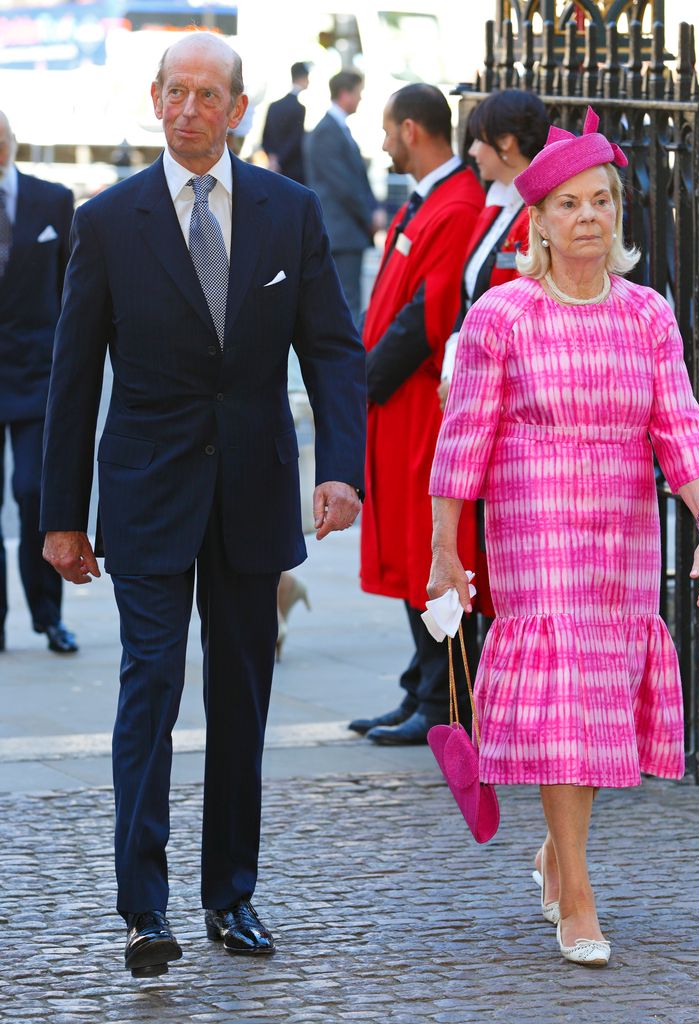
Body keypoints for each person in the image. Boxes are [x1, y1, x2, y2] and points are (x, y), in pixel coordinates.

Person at [40, 33, 365, 978]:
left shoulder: (288, 211)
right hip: (144, 496)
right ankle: (144, 909)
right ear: (155, 100)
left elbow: (333, 350)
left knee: (242, 697)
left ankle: (231, 893)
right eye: (172, 91)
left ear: (235, 107)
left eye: (205, 93)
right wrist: (63, 517)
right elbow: (72, 379)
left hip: (254, 493)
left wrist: (338, 466)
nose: (187, 107)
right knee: (151, 689)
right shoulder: (107, 221)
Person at [427, 107, 699, 967]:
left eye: (600, 201)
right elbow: (463, 441)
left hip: (621, 527)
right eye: (568, 204)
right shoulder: (502, 314)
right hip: (534, 522)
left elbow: (678, 423)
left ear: (616, 216)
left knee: (595, 697)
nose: (587, 216)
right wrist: (446, 548)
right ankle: (581, 895)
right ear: (540, 223)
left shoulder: (647, 315)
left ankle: (558, 850)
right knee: (564, 693)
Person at [352, 84, 484, 746]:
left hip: (419, 407)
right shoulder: (435, 198)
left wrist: (362, 380)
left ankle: (441, 702)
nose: (380, 143)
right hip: (399, 404)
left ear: (410, 129)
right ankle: (421, 688)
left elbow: (425, 318)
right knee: (411, 552)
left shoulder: (455, 204)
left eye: (385, 131)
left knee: (426, 551)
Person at [0, 110, 77, 655]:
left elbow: (72, 288)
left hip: (35, 373)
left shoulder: (53, 199)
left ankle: (48, 615)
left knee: (33, 491)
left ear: (10, 141)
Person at [438, 88, 548, 409]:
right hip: (469, 380)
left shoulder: (537, 217)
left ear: (505, 143)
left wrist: (463, 381)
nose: (472, 151)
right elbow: (468, 301)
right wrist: (451, 372)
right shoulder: (496, 203)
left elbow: (523, 324)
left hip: (502, 396)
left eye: (478, 140)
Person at [303, 70, 385, 325]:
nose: (360, 98)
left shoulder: (336, 128)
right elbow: (344, 185)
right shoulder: (328, 131)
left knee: (345, 301)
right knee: (346, 304)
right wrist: (369, 215)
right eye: (358, 93)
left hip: (345, 230)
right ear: (345, 94)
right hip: (342, 232)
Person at [261, 61, 310, 182]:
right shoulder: (299, 108)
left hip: (274, 168)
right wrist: (279, 160)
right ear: (303, 78)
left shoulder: (273, 106)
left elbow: (266, 136)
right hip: (292, 170)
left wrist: (273, 159)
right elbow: (295, 139)